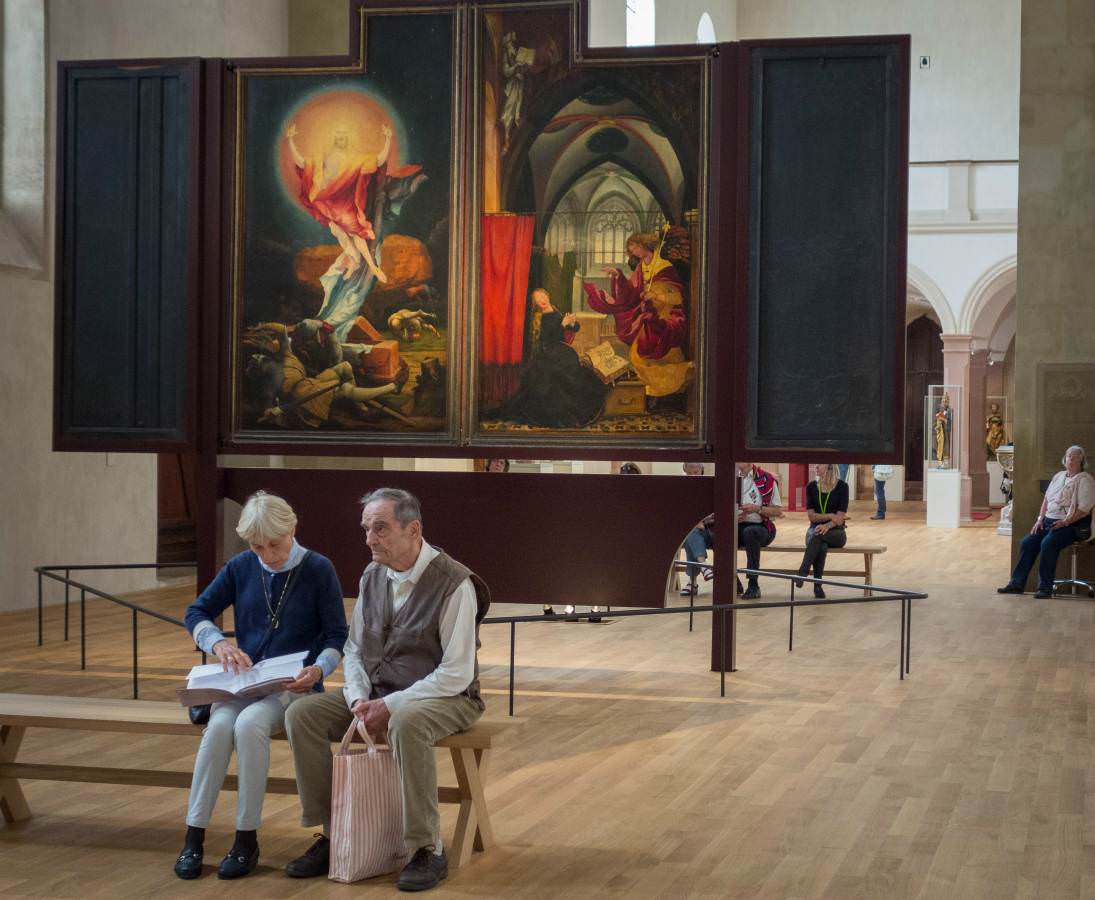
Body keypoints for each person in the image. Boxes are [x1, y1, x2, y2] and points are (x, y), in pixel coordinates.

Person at [283, 488, 490, 892]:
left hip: (448, 698)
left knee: (407, 722)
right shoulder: (372, 575)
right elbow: (355, 647)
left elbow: (457, 672)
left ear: (413, 530)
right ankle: (335, 834)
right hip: (377, 692)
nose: (369, 539)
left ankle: (425, 848)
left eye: (380, 528)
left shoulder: (454, 584)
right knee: (301, 714)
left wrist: (391, 704)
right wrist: (358, 698)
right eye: (366, 529)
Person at [175, 492, 348, 880]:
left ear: (293, 530)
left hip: (294, 686)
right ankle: (194, 836)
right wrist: (218, 643)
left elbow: (337, 635)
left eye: (275, 544)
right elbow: (196, 612)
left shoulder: (319, 569)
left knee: (248, 725)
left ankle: (246, 838)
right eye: (257, 546)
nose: (267, 555)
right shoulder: (241, 566)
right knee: (218, 728)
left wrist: (318, 670)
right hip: (245, 683)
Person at [285, 120, 420, 282]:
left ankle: (372, 266)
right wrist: (291, 140)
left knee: (355, 232)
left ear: (347, 138)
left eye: (344, 135)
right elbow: (302, 162)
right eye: (338, 135)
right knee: (338, 231)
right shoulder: (323, 158)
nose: (341, 137)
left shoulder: (354, 159)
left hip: (344, 205)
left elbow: (378, 160)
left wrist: (388, 139)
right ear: (334, 138)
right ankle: (355, 260)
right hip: (327, 201)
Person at [582, 229, 693, 404]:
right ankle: (653, 392)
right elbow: (633, 290)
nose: (634, 253)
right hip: (648, 316)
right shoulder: (642, 266)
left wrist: (656, 297)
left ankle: (668, 387)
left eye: (634, 248)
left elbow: (677, 296)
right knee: (639, 356)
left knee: (649, 356)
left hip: (665, 318)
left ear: (643, 245)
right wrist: (618, 275)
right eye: (632, 250)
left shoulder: (664, 267)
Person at [496, 288, 608, 427]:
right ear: (535, 303)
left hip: (562, 351)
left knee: (578, 372)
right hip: (549, 354)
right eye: (538, 299)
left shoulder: (555, 311)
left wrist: (572, 323)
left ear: (547, 296)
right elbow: (549, 339)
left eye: (543, 296)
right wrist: (562, 324)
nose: (542, 300)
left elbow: (574, 328)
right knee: (556, 378)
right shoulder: (540, 318)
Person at [998, 445, 1095, 599]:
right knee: (1027, 542)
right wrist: (1039, 519)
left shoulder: (1085, 480)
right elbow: (1047, 499)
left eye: (1075, 457)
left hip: (1072, 525)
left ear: (1082, 461)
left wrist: (1065, 522)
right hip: (1049, 520)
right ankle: (1016, 584)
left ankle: (1045, 588)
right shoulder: (1059, 476)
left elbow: (1084, 509)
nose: (1071, 459)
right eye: (1069, 456)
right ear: (1064, 459)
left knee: (1048, 543)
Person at [794, 464, 849, 598]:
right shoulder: (812, 486)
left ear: (829, 467)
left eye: (820, 464)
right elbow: (811, 516)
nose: (816, 466)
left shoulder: (842, 486)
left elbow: (840, 518)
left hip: (836, 532)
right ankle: (817, 585)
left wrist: (828, 525)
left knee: (819, 535)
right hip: (815, 530)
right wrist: (830, 516)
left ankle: (803, 573)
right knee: (820, 543)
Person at [737, 462, 782, 599]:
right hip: (737, 524)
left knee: (750, 532)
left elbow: (778, 511)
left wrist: (757, 509)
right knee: (719, 533)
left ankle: (753, 584)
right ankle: (732, 581)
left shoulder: (766, 479)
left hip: (762, 526)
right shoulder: (729, 478)